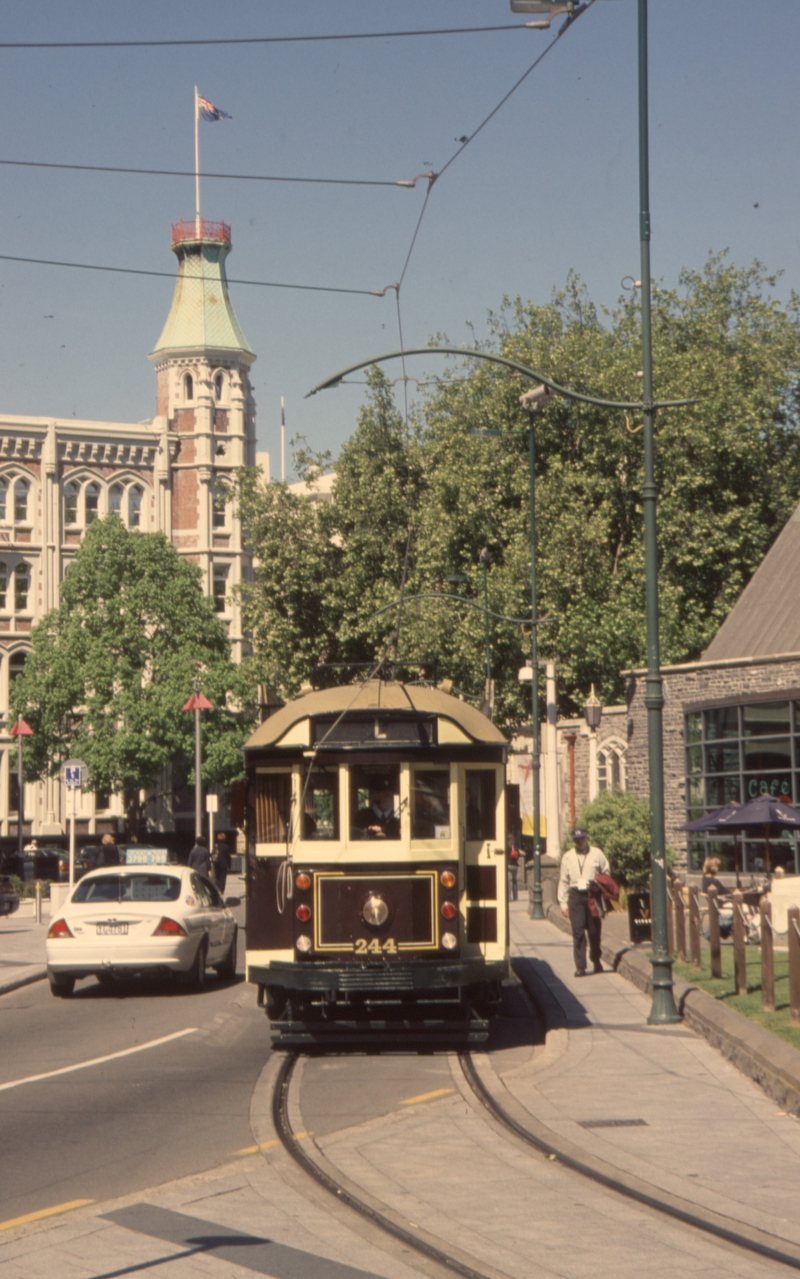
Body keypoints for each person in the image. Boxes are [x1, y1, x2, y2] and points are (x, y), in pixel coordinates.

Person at [558, 826, 610, 977]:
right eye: (577, 839)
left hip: (591, 893)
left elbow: (606, 871)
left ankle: (596, 959)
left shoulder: (597, 853)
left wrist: (598, 882)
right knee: (578, 930)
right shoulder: (567, 857)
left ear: (586, 837)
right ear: (574, 840)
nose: (580, 841)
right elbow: (563, 880)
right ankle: (580, 967)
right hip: (575, 895)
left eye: (582, 838)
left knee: (594, 930)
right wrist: (562, 902)